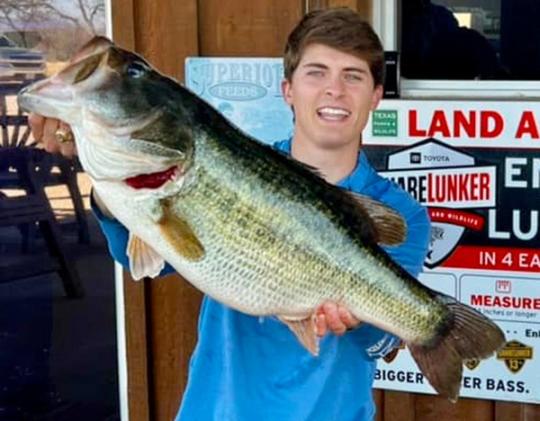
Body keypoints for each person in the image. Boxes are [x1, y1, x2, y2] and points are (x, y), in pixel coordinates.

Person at [29, 8, 430, 421]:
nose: (334, 90)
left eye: (353, 75)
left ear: (376, 96)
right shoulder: (236, 161)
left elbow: (380, 341)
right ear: (288, 90)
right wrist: (102, 176)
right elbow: (142, 255)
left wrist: (359, 324)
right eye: (316, 72)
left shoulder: (401, 214)